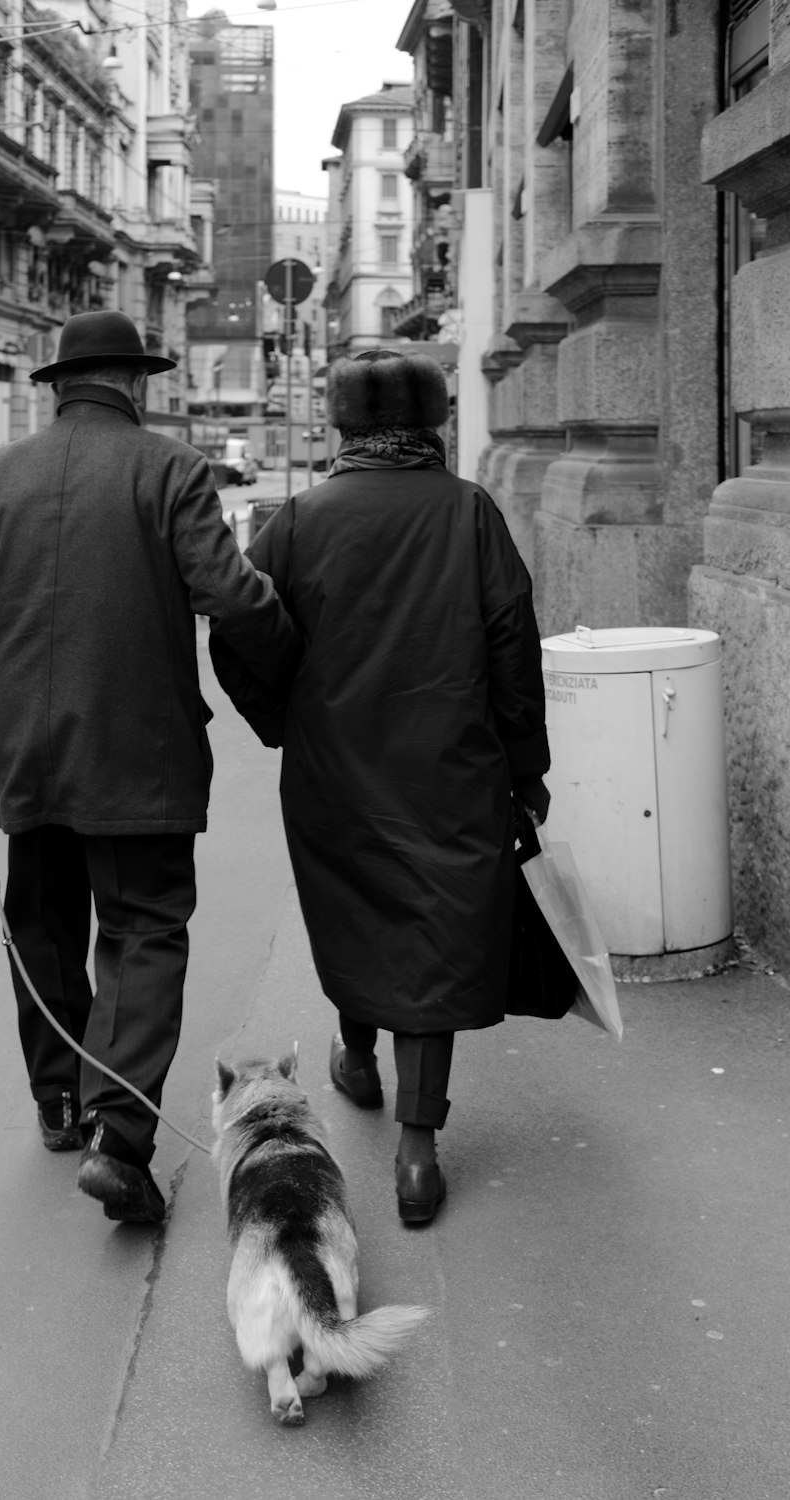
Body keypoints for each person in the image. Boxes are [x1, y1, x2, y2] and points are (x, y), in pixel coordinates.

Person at [0, 310, 297, 1224]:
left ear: (57, 386)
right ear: (134, 383)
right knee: (142, 931)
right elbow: (225, 592)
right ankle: (118, 1137)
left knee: (42, 921)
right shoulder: (168, 468)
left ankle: (57, 1101)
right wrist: (290, 634)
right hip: (140, 757)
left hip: (25, 759)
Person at [210, 349, 550, 1227]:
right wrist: (527, 767)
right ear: (433, 422)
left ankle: (356, 1055)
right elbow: (512, 644)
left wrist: (288, 719)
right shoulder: (469, 513)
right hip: (451, 767)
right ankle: (417, 1153)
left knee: (358, 908)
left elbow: (238, 638)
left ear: (341, 425)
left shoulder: (299, 519)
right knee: (433, 930)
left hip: (335, 770)